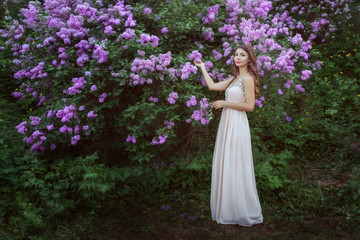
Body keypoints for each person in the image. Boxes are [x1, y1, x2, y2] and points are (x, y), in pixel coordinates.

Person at [194, 44, 263, 226]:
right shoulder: (234, 78)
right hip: (227, 123)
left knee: (236, 163)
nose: (238, 57)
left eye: (242, 55)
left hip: (237, 123)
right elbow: (212, 86)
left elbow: (250, 106)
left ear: (249, 59)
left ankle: (241, 209)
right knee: (227, 162)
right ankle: (229, 208)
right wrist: (202, 68)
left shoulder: (247, 79)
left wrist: (225, 103)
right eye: (236, 55)